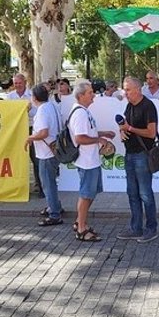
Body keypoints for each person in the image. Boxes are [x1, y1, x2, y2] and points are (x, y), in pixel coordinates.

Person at [69, 80, 116, 241]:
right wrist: (99, 140)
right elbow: (80, 138)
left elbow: (87, 132)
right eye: (90, 93)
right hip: (86, 160)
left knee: (90, 194)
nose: (93, 95)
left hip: (92, 160)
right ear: (81, 96)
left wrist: (102, 133)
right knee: (86, 194)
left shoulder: (83, 111)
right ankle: (81, 228)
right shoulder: (80, 113)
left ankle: (79, 222)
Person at [116, 77, 159, 243]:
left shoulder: (148, 106)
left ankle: (151, 228)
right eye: (124, 90)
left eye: (127, 90)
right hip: (129, 154)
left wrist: (130, 128)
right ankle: (135, 228)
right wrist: (122, 131)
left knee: (145, 193)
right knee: (132, 193)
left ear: (138, 89)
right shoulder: (129, 106)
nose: (125, 93)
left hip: (143, 154)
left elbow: (151, 133)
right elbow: (124, 125)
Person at [25, 84, 64, 226]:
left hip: (46, 153)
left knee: (48, 183)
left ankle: (54, 214)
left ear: (34, 97)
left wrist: (30, 138)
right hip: (54, 150)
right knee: (51, 181)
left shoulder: (41, 111)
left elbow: (43, 133)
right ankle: (55, 206)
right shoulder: (52, 106)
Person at [8, 73, 42, 197]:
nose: (17, 85)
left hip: (31, 129)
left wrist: (29, 110)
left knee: (36, 159)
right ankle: (17, 187)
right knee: (16, 159)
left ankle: (39, 186)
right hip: (16, 132)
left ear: (25, 82)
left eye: (19, 83)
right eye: (15, 83)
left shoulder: (32, 95)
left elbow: (39, 112)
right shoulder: (10, 96)